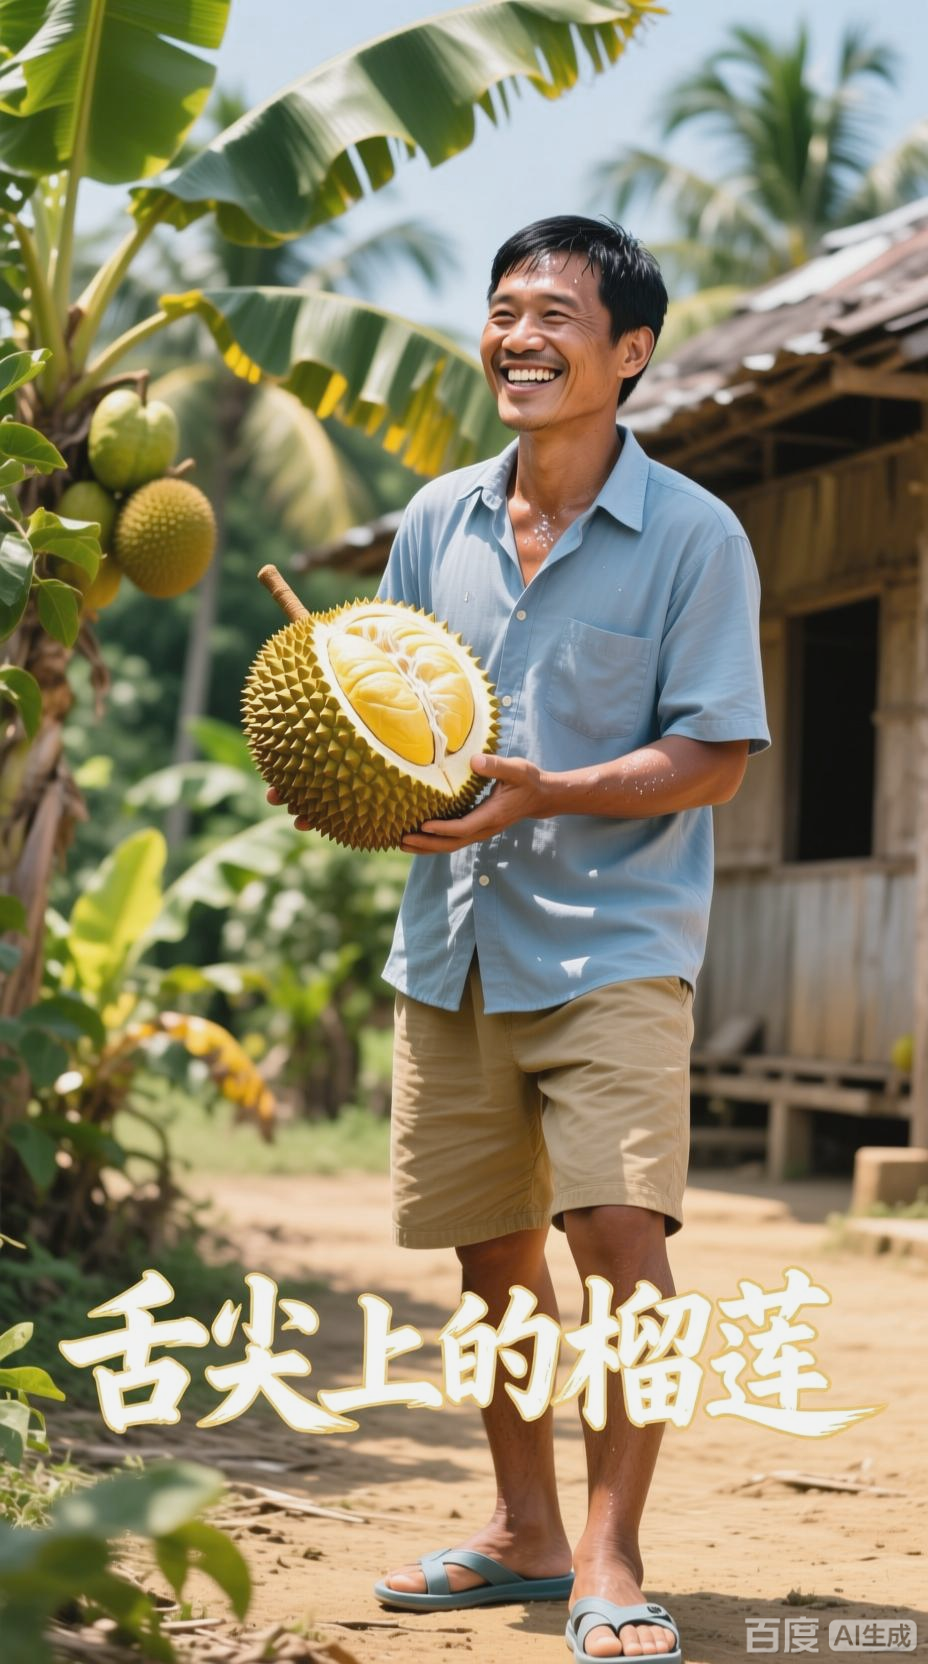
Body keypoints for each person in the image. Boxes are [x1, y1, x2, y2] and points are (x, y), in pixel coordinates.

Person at [272, 215, 770, 1663]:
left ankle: (612, 1556)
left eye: (556, 313)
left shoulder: (696, 536)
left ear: (631, 351)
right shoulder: (437, 521)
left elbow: (714, 758)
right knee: (493, 1265)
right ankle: (524, 1531)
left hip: (616, 939)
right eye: (504, 310)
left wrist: (548, 790)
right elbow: (390, 712)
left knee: (618, 1239)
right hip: (455, 942)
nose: (519, 336)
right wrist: (353, 782)